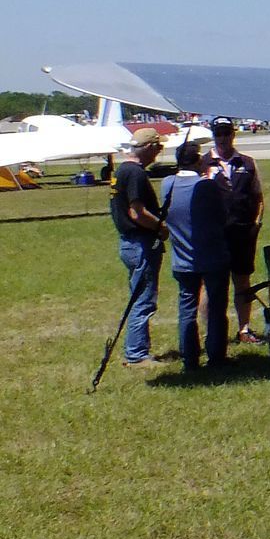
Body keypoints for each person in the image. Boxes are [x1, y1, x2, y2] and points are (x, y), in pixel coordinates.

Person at [160, 141, 230, 371]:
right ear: (198, 160)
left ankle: (190, 358)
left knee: (187, 308)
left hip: (181, 257)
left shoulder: (167, 184)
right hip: (210, 255)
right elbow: (222, 216)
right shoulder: (206, 186)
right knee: (215, 308)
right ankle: (216, 356)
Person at [110, 128, 169, 367]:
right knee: (144, 299)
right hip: (140, 243)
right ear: (149, 148)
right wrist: (161, 227)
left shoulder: (121, 170)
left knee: (139, 296)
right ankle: (136, 354)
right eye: (158, 148)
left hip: (128, 242)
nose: (159, 153)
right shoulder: (135, 173)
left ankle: (136, 350)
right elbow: (137, 212)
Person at [207, 119, 267, 344]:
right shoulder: (204, 164)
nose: (222, 138)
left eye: (226, 133)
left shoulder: (248, 163)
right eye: (218, 133)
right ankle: (213, 332)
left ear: (233, 135)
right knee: (212, 283)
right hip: (215, 236)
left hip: (242, 235)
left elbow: (259, 197)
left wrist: (257, 224)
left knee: (243, 281)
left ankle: (244, 329)